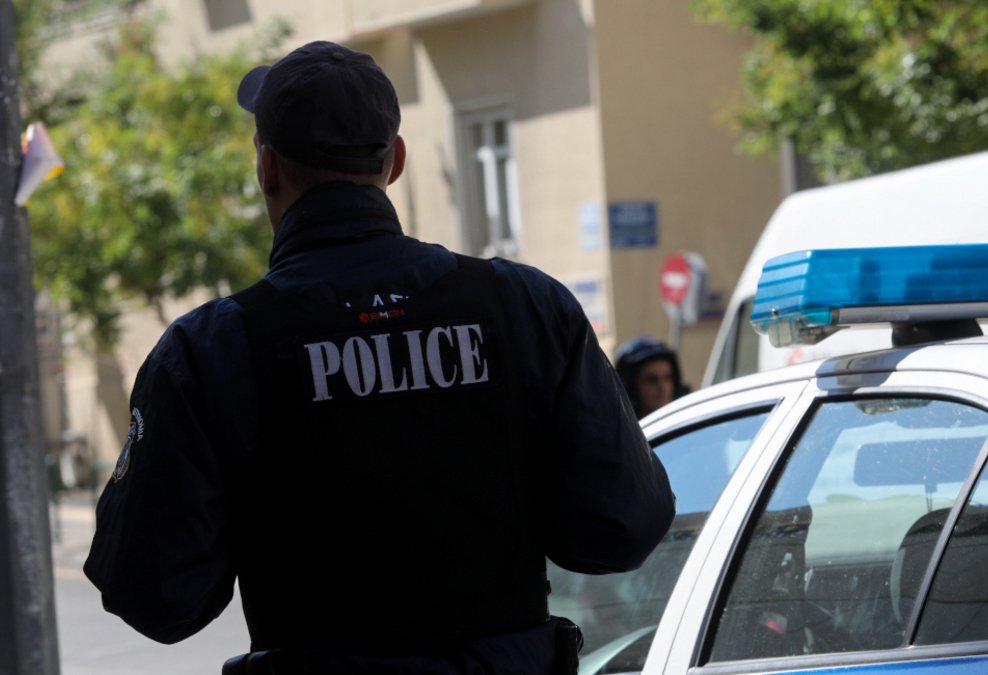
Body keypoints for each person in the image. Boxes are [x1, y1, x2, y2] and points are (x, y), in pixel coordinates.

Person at [83, 40, 674, 674]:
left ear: (267, 169)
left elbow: (155, 595)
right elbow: (621, 528)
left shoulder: (211, 350)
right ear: (395, 162)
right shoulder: (526, 308)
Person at [614, 337, 687, 418]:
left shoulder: (687, 417)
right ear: (631, 386)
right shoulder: (618, 424)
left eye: (668, 377)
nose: (662, 387)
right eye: (652, 380)